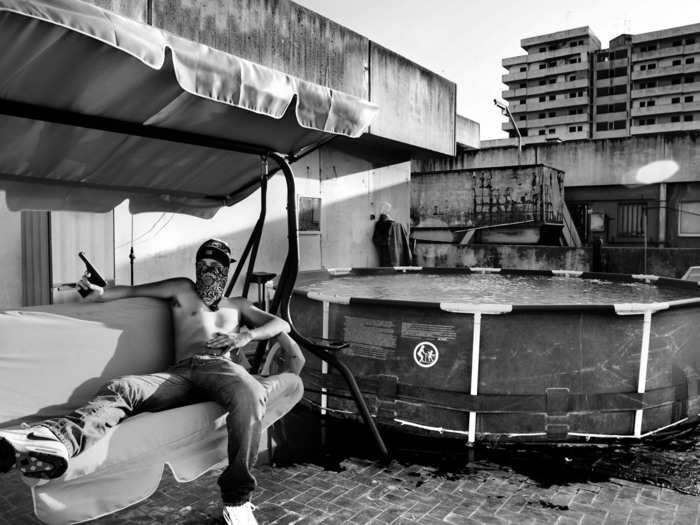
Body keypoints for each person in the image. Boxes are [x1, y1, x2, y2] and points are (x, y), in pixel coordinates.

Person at [0, 239, 305, 525]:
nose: (211, 270)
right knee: (125, 387)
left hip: (220, 368)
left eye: (219, 264)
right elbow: (131, 291)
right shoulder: (182, 290)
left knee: (250, 394)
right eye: (206, 263)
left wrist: (245, 335)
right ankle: (54, 441)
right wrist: (99, 293)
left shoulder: (237, 305)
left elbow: (279, 324)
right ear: (197, 265)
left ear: (227, 268)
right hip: (181, 373)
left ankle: (237, 499)